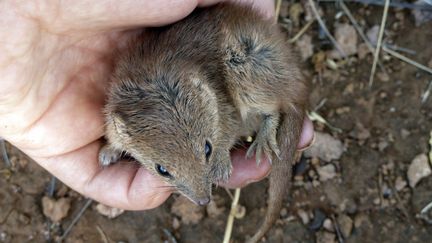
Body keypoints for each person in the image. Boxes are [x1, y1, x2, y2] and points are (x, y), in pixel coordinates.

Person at [0, 0, 314, 210]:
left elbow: (226, 115)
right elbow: (119, 132)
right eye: (163, 170)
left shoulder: (199, 97)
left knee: (251, 83)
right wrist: (114, 149)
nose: (200, 198)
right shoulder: (123, 126)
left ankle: (272, 116)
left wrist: (217, 150)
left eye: (203, 148)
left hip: (241, 52)